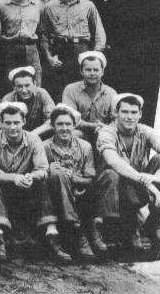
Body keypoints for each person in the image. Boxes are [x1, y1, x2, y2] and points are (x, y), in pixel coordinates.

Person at [0, 103, 70, 262]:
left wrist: (31, 176)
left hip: (27, 187)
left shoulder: (33, 139)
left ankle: (52, 235)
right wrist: (14, 178)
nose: (12, 127)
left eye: (16, 122)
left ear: (23, 122)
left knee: (42, 183)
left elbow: (43, 169)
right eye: (8, 123)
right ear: (1, 123)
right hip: (4, 187)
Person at [95, 93, 160, 250]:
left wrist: (156, 178)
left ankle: (155, 220)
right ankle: (113, 226)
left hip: (136, 187)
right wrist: (144, 180)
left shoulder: (144, 131)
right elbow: (113, 160)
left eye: (134, 112)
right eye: (125, 112)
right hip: (110, 190)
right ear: (116, 113)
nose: (129, 117)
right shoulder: (107, 132)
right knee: (112, 174)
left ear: (140, 114)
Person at [44, 104, 101, 259]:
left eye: (68, 124)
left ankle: (91, 234)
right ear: (52, 126)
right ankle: (77, 230)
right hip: (54, 195)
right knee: (57, 173)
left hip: (80, 191)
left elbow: (90, 178)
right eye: (60, 124)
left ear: (74, 125)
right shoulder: (45, 147)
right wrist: (51, 170)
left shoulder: (85, 146)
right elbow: (41, 176)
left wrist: (74, 179)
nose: (64, 128)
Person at [41, 0, 107, 101]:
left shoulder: (88, 5)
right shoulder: (49, 7)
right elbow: (44, 34)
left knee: (83, 88)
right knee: (61, 90)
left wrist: (95, 56)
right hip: (60, 51)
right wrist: (49, 57)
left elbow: (99, 33)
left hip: (81, 50)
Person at [0, 0, 44, 93]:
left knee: (34, 84)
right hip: (9, 49)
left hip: (31, 49)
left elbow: (42, 31)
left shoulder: (38, 5)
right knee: (10, 85)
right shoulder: (2, 6)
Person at [62, 51, 117, 141]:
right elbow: (69, 118)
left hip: (103, 132)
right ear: (81, 71)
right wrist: (92, 126)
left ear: (102, 72)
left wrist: (105, 128)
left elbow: (116, 120)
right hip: (79, 133)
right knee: (70, 135)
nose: (92, 73)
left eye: (96, 70)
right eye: (88, 70)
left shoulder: (111, 93)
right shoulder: (70, 90)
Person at [2, 66, 55, 135]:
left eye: (27, 85)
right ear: (14, 87)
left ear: (34, 84)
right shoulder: (8, 99)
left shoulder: (42, 94)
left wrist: (31, 135)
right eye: (19, 86)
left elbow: (52, 119)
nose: (24, 90)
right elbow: (4, 124)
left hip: (39, 134)